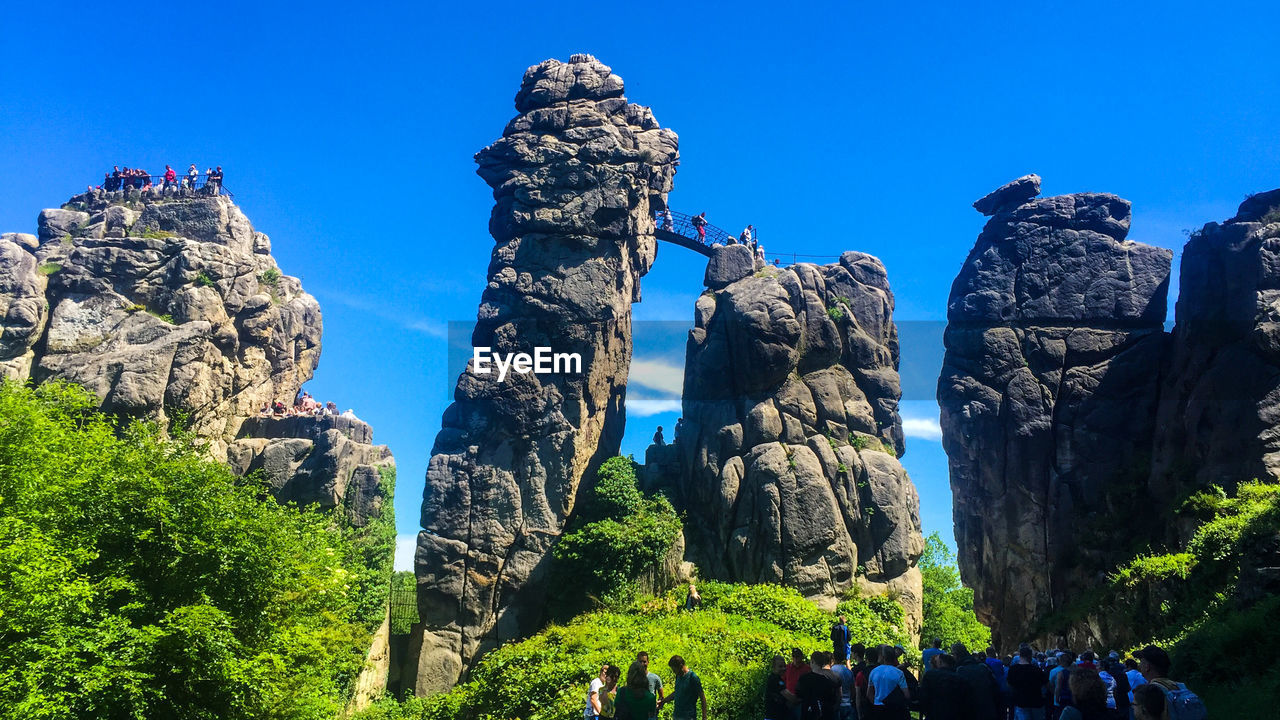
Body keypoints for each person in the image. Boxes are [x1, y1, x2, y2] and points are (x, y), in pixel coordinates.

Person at [1133, 646, 1206, 720]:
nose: (1139, 666)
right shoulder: (1179, 686)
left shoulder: (1150, 692)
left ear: (1147, 667)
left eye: (1141, 662)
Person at [918, 653, 973, 720]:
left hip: (934, 714)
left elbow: (923, 697)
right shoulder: (961, 679)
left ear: (940, 662)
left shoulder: (930, 675)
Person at [954, 644, 1000, 720]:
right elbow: (995, 689)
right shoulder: (983, 667)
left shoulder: (958, 670)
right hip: (988, 710)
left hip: (970, 712)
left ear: (956, 655)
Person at [866, 644, 910, 720]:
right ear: (894, 657)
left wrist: (876, 702)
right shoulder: (899, 673)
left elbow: (869, 694)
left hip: (878, 708)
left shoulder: (874, 672)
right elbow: (907, 695)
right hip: (894, 709)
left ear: (883, 657)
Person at [797, 651, 842, 720]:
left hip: (808, 712)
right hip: (825, 713)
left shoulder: (804, 678)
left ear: (812, 661)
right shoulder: (827, 681)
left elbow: (798, 695)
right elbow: (834, 697)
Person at [1007, 647, 1049, 720]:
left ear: (1020, 655)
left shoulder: (1013, 670)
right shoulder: (1037, 670)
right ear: (1030, 656)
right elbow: (1047, 684)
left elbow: (1009, 685)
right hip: (1036, 702)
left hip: (1020, 702)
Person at [664, 655, 706, 720]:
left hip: (688, 717)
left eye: (674, 670)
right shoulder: (678, 676)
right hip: (677, 716)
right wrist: (663, 701)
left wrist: (704, 717)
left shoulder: (692, 677)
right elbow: (677, 692)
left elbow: (702, 697)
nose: (674, 673)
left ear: (680, 666)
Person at [637, 651, 665, 718]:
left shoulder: (655, 678)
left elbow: (661, 696)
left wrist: (657, 706)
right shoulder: (633, 678)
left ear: (648, 662)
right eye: (640, 662)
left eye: (644, 662)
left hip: (651, 715)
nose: (642, 664)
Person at [829, 651, 855, 720]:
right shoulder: (849, 672)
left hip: (836, 705)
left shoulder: (831, 671)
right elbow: (853, 690)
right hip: (847, 704)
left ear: (833, 658)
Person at [765, 655, 790, 720]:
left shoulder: (778, 678)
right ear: (774, 667)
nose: (783, 668)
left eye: (784, 666)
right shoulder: (775, 679)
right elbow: (789, 696)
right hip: (774, 717)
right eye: (780, 666)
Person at [1050, 652, 1074, 718]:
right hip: (1073, 697)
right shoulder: (1075, 671)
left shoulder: (1057, 672)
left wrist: (1056, 698)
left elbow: (1057, 687)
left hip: (1062, 698)